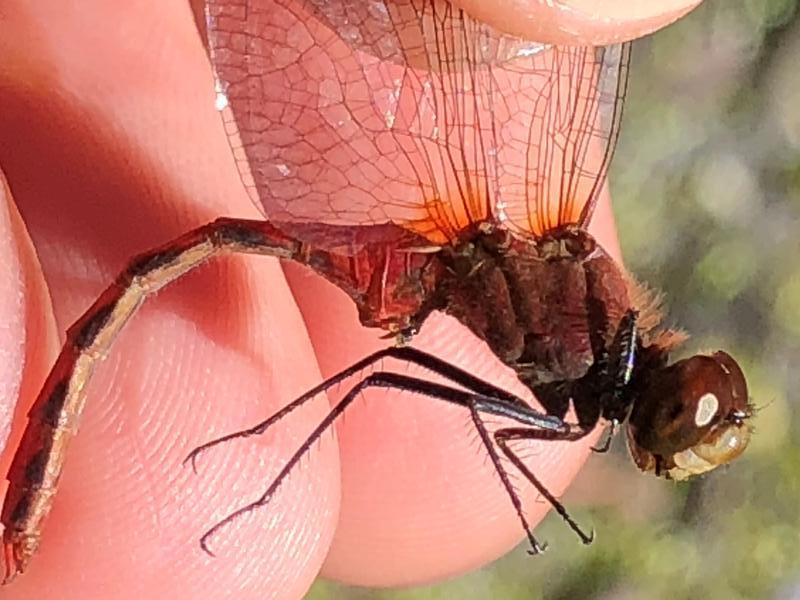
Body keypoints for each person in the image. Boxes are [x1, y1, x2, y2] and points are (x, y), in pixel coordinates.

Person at [0, 1, 704, 598]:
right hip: (446, 251)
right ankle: (261, 462)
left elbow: (505, 427)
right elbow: (481, 416)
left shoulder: (594, 358)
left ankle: (259, 458)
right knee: (375, 379)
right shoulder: (591, 341)